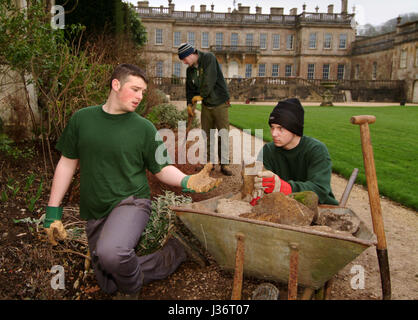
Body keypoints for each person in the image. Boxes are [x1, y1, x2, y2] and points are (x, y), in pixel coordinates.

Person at [43, 63, 220, 297]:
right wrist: (52, 213)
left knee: (112, 253)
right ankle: (174, 253)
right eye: (135, 89)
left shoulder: (143, 128)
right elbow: (66, 163)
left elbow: (161, 168)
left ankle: (132, 290)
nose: (139, 96)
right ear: (116, 85)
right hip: (95, 209)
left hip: (132, 202)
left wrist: (188, 180)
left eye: (143, 92)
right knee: (107, 278)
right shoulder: (82, 120)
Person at [251, 98, 339, 206]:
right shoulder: (268, 150)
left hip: (321, 208)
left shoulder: (316, 150)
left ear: (295, 129)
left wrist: (285, 187)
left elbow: (320, 190)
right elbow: (261, 179)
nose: (274, 134)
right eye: (272, 128)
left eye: (280, 128)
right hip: (283, 207)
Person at [178, 42, 233, 176]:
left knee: (222, 134)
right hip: (206, 105)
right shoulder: (190, 70)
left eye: (184, 59)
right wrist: (189, 105)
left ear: (191, 54)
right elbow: (190, 89)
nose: (184, 62)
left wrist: (200, 96)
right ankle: (209, 163)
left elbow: (209, 81)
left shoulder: (209, 58)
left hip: (219, 102)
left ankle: (224, 164)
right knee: (207, 135)